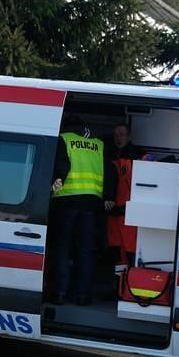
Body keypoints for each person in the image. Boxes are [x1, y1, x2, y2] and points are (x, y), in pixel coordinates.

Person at [50, 115, 116, 306]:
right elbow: (110, 171)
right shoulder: (98, 144)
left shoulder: (64, 139)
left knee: (62, 248)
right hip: (91, 203)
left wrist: (55, 182)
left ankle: (60, 293)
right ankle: (82, 295)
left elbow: (61, 165)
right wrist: (108, 196)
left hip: (66, 200)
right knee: (85, 250)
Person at [107, 124, 142, 266]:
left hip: (128, 212)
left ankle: (127, 276)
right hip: (112, 210)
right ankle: (117, 277)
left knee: (129, 249)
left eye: (121, 134)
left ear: (129, 136)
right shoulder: (109, 154)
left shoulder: (137, 155)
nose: (118, 138)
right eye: (116, 135)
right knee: (114, 248)